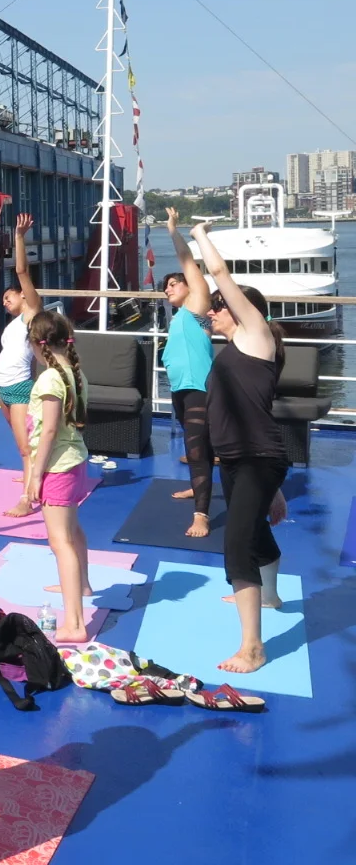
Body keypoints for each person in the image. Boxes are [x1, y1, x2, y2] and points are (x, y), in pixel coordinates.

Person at [190, 220, 291, 675]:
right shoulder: (233, 348)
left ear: (242, 310)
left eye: (219, 307)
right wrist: (275, 488)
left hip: (256, 458)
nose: (212, 312)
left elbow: (220, 274)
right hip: (239, 459)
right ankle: (268, 595)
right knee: (253, 531)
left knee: (236, 546)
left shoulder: (256, 337)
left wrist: (199, 235)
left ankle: (252, 648)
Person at [18, 310, 93, 643]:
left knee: (60, 542)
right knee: (72, 531)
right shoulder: (75, 371)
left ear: (38, 344)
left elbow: (48, 430)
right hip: (74, 461)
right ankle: (83, 584)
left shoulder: (50, 378)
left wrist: (35, 476)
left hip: (58, 467)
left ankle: (74, 623)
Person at [161, 208, 217, 538]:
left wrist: (173, 230)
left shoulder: (197, 308)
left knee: (197, 451)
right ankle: (198, 489)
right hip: (180, 388)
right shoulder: (181, 315)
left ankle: (202, 515)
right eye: (165, 287)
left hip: (199, 388)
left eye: (173, 284)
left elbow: (187, 262)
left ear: (189, 287)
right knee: (198, 447)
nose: (167, 289)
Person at [0, 214, 43, 475]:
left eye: (8, 296)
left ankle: (30, 491)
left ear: (23, 294)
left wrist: (19, 237)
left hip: (19, 387)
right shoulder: (14, 324)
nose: (4, 302)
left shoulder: (31, 313)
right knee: (20, 439)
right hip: (3, 388)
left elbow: (21, 271)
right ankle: (30, 474)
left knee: (26, 444)